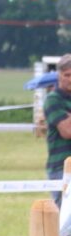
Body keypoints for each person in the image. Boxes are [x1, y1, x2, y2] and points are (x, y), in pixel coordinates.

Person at [43, 54, 71, 206]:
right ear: (59, 75)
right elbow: (67, 131)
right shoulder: (53, 99)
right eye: (67, 75)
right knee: (64, 221)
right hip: (62, 167)